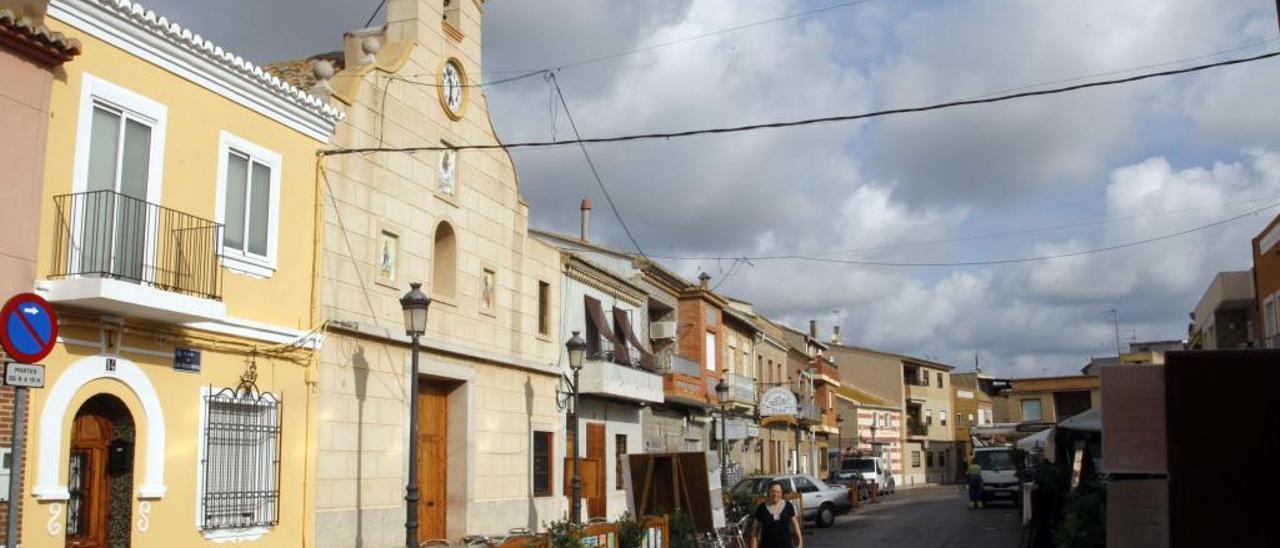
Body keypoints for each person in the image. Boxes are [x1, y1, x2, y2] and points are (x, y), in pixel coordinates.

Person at [750, 481, 803, 548]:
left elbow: (795, 525)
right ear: (768, 492)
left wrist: (800, 542)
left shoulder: (788, 506)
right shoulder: (761, 508)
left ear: (781, 493)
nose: (775, 494)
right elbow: (755, 531)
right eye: (773, 491)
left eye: (778, 492)